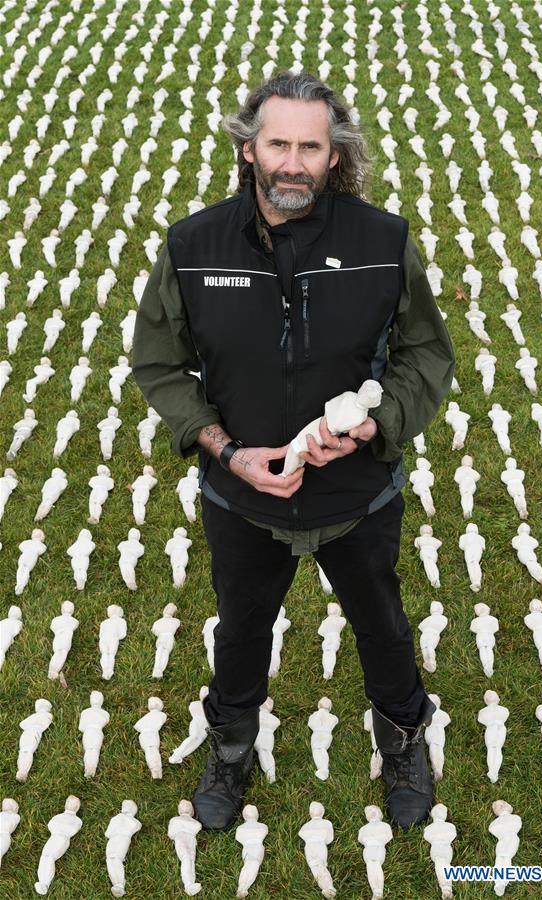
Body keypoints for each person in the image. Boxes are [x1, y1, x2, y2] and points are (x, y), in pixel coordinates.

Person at [132, 71, 455, 833]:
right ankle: (232, 745)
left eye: (312, 147)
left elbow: (425, 354)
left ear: (335, 156)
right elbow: (158, 363)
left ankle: (404, 735)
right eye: (278, 143)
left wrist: (382, 424)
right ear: (249, 148)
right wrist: (224, 449)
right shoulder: (193, 243)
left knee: (381, 621)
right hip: (240, 494)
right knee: (241, 627)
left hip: (357, 495)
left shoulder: (383, 242)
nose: (293, 163)